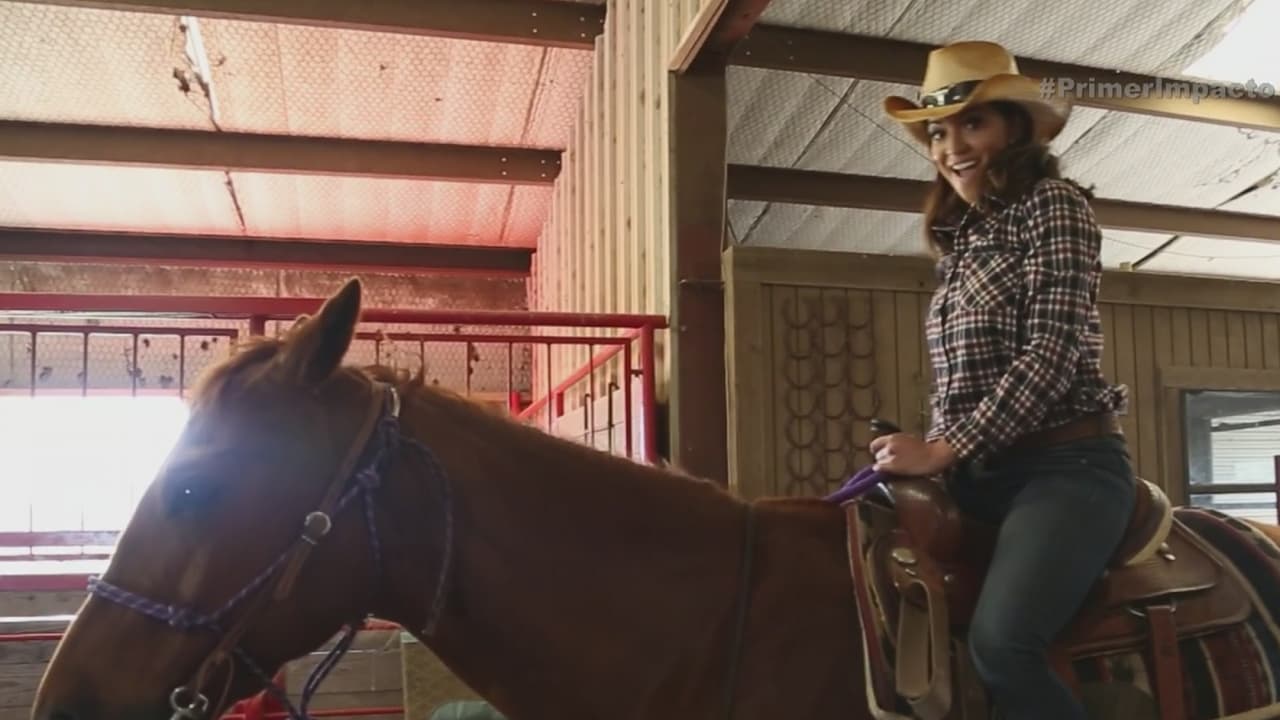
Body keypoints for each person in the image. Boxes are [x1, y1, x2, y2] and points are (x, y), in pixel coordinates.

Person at [868, 41, 1137, 719]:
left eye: (972, 123)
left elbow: (1052, 351)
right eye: (938, 132)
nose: (951, 147)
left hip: (1067, 467)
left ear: (1015, 128)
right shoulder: (962, 243)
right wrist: (925, 450)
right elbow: (963, 382)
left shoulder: (1054, 206)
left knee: (1004, 643)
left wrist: (942, 448)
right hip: (980, 473)